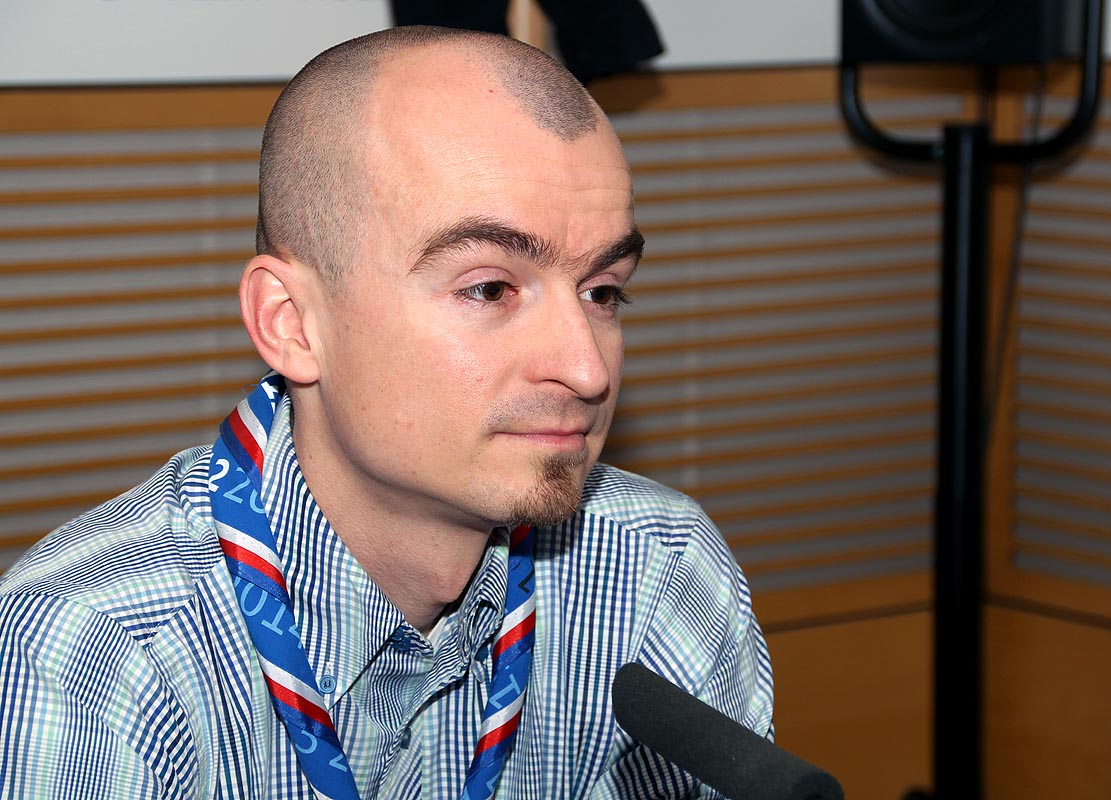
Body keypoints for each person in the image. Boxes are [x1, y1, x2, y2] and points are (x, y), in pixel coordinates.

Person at [0, 26, 772, 800]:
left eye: (602, 291)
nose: (586, 369)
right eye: (489, 289)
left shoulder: (659, 572)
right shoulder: (94, 655)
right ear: (292, 324)